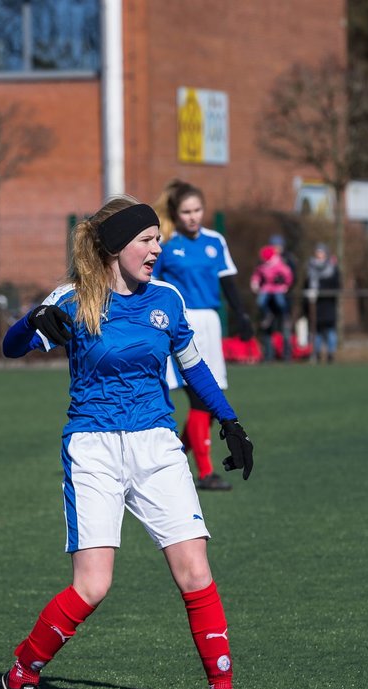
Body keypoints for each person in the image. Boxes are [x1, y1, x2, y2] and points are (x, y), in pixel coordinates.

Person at [0, 196, 255, 689]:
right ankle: (18, 680)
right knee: (92, 586)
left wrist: (230, 422)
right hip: (93, 447)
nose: (158, 249)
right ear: (116, 247)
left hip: (157, 445)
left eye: (158, 239)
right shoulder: (72, 300)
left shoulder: (167, 299)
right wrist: (31, 320)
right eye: (148, 240)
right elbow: (11, 347)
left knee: (195, 572)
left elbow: (195, 369)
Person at [152, 179, 253, 491]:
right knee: (198, 398)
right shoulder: (165, 244)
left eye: (197, 210)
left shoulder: (215, 241)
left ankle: (175, 460)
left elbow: (228, 284)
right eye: (186, 211)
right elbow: (152, 287)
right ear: (175, 213)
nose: (193, 216)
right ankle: (206, 472)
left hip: (210, 323)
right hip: (181, 323)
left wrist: (241, 316)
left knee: (208, 398)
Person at [250, 244, 293, 361]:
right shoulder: (262, 265)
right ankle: (268, 314)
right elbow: (257, 276)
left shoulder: (281, 263)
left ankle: (284, 316)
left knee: (280, 302)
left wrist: (285, 284)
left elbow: (288, 274)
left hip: (278, 289)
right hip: (268, 290)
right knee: (261, 301)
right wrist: (255, 284)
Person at [304, 243, 341, 363]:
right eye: (317, 252)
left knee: (330, 330)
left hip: (328, 303)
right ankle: (316, 353)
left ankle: (331, 354)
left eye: (321, 252)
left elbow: (337, 285)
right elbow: (307, 284)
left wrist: (320, 290)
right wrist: (309, 293)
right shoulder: (310, 267)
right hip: (316, 305)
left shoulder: (333, 268)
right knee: (317, 330)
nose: (319, 254)